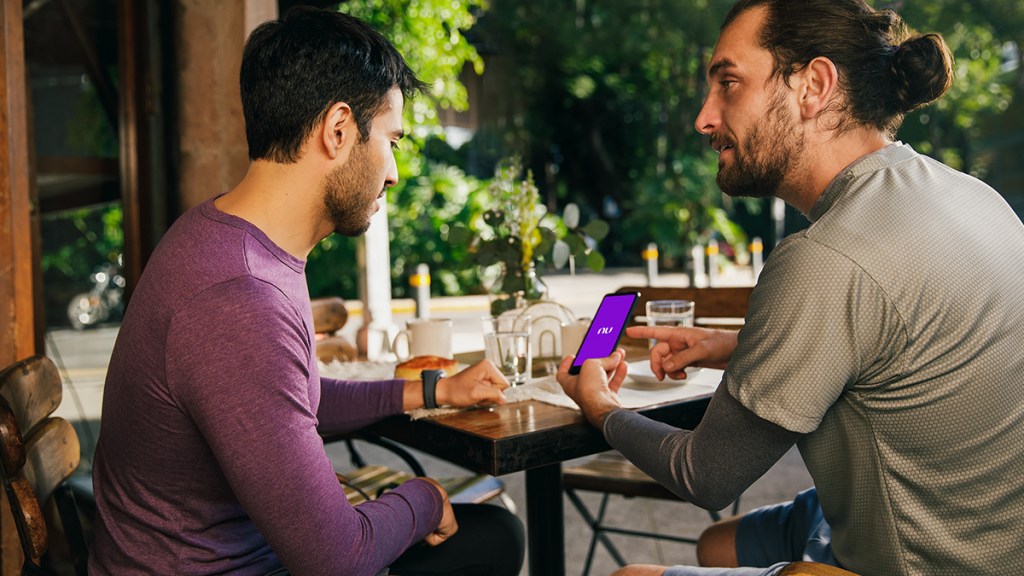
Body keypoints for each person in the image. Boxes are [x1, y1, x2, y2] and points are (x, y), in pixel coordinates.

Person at [558, 0, 1024, 575]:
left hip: (925, 557)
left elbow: (703, 475)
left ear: (814, 86)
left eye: (729, 83)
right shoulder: (973, 197)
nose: (704, 118)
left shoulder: (826, 256)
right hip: (986, 528)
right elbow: (900, 341)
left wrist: (600, 406)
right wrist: (734, 345)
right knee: (716, 547)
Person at [89, 7, 524, 576]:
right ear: (338, 129)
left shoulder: (220, 236)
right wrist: (425, 498)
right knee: (495, 537)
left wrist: (433, 390)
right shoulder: (239, 299)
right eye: (392, 141)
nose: (394, 172)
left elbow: (296, 396)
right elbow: (336, 559)